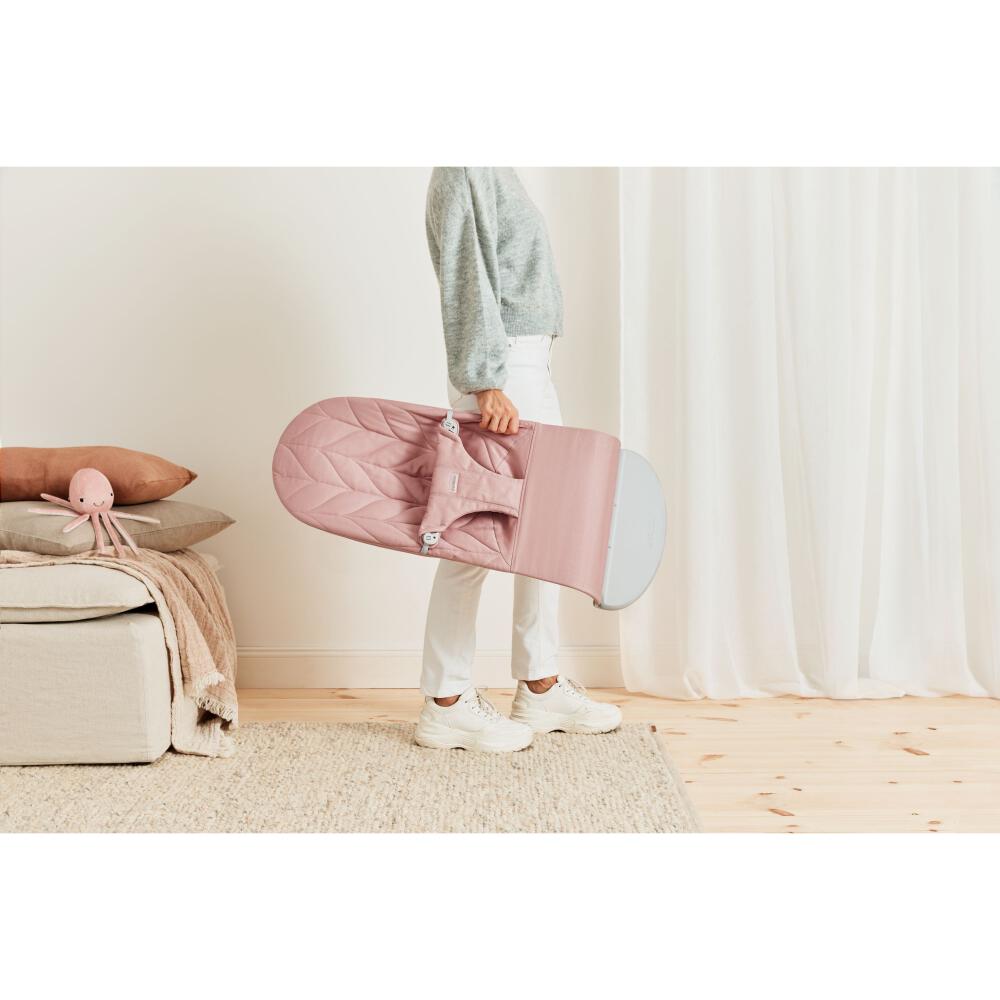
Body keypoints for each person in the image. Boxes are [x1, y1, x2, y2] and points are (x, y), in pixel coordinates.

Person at [414, 167, 622, 753]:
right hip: (504, 371)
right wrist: (484, 381)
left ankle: (540, 684)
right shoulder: (464, 168)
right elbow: (465, 276)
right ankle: (446, 701)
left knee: (543, 534)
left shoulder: (494, 166)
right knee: (475, 536)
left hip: (528, 364)